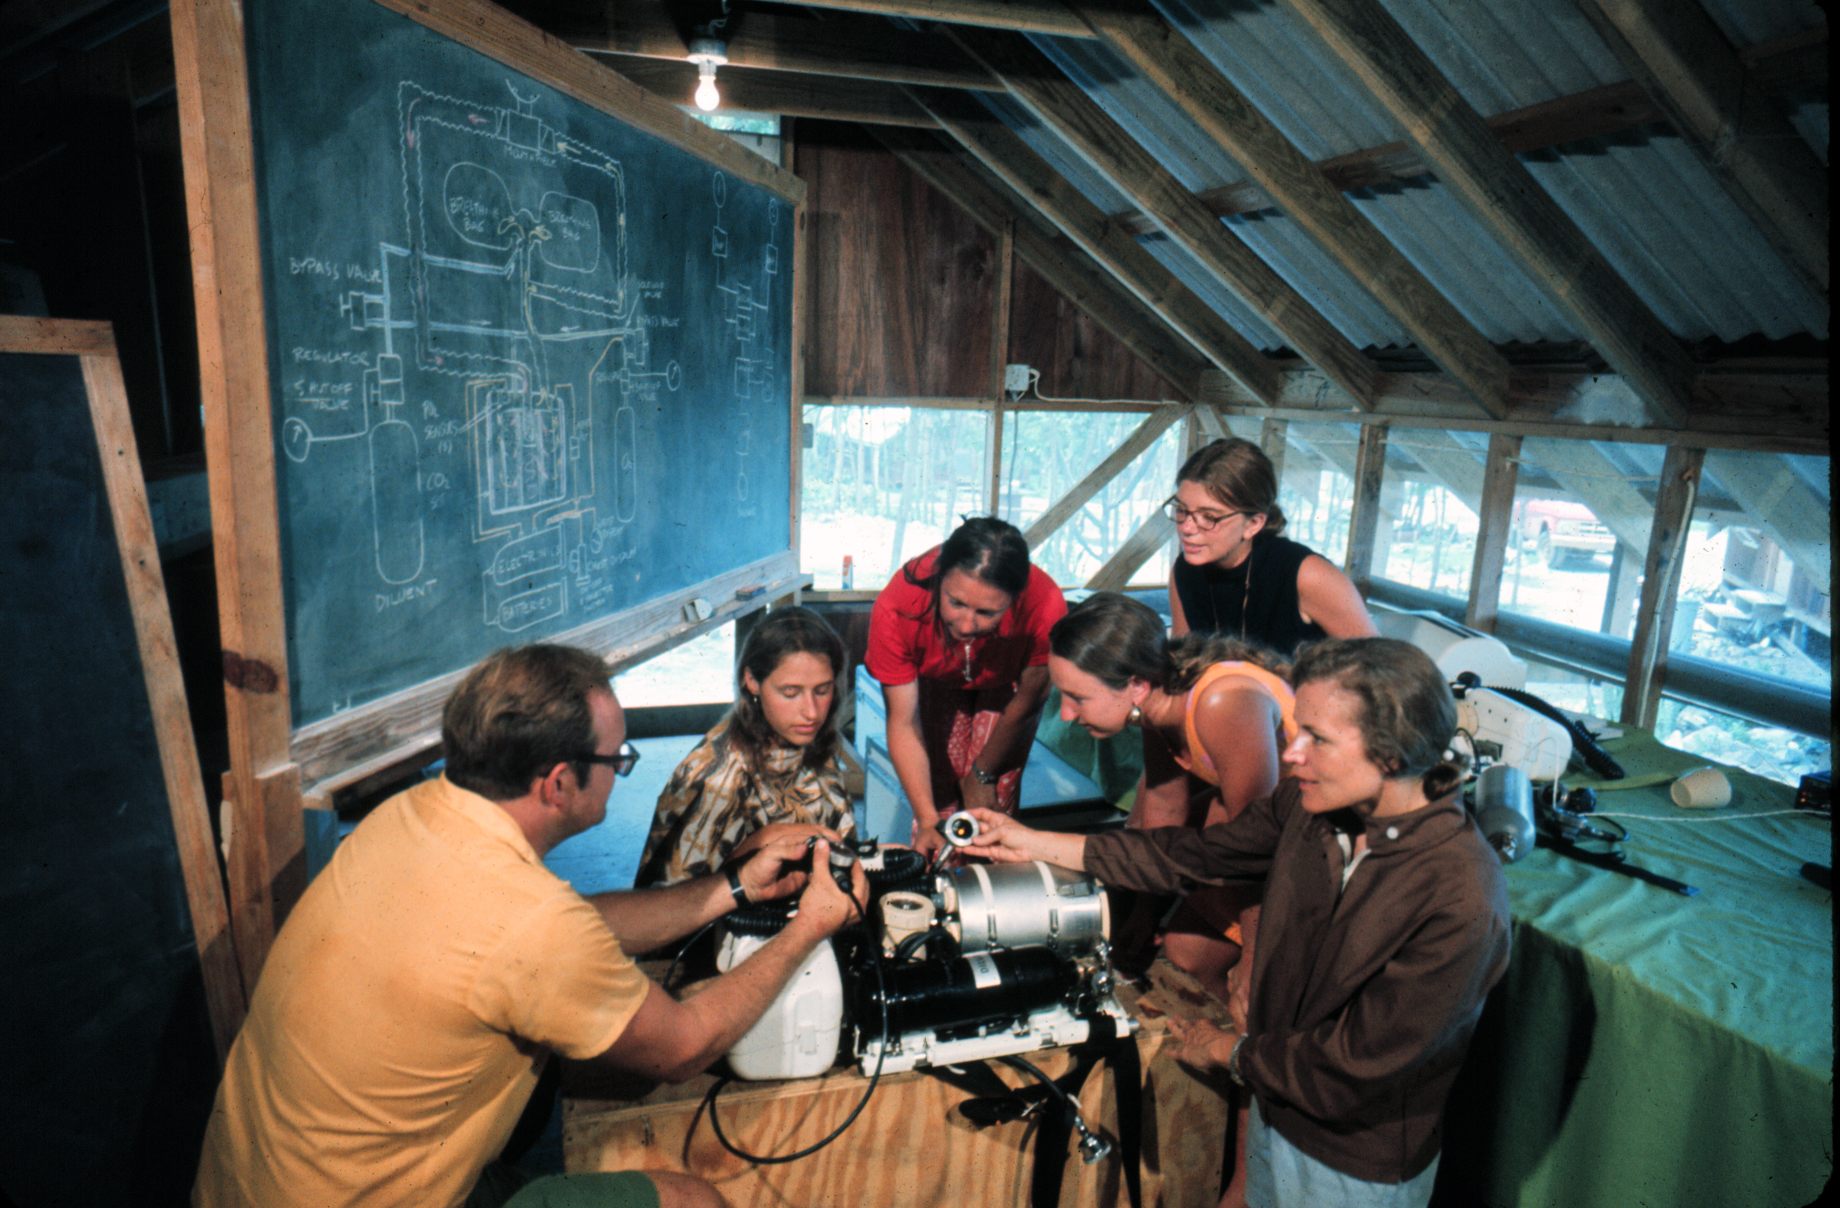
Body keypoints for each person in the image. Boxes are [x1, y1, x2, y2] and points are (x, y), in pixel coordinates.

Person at [193, 644, 866, 1208]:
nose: (621, 774)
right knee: (694, 1202)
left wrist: (733, 887)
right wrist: (804, 931)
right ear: (557, 785)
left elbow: (569, 929)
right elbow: (680, 1046)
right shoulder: (532, 925)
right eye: (615, 760)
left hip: (246, 1184)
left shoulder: (410, 817)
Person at [960, 638, 1511, 1208]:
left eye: (1317, 739)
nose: (1292, 754)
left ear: (1392, 755)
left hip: (1350, 1161)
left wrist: (1229, 1052)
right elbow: (1194, 854)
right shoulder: (1312, 807)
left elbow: (1357, 1067)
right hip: (1277, 1110)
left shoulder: (1461, 898)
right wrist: (1034, 842)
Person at [1047, 592, 1293, 1007]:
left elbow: (1258, 849)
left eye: (1079, 698)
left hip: (1322, 843)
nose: (1067, 714)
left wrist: (1255, 960)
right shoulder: (1155, 708)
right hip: (1265, 838)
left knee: (1213, 956)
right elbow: (1163, 816)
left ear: (1136, 685)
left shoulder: (1222, 702)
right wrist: (1140, 921)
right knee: (1187, 952)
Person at [865, 517, 1066, 860]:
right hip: (934, 679)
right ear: (940, 576)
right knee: (938, 806)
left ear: (1015, 599)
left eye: (987, 612)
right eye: (956, 603)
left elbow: (1031, 698)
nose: (966, 624)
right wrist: (927, 819)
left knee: (992, 807)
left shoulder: (1045, 604)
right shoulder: (898, 605)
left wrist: (983, 774)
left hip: (1005, 683)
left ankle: (991, 888)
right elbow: (902, 721)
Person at [637, 606, 853, 887]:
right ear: (751, 681)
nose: (811, 712)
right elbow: (669, 909)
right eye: (791, 693)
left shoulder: (805, 740)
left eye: (822, 690)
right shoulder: (716, 780)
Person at [1167, 438, 1375, 654]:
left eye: (1209, 517)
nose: (1187, 527)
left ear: (1253, 524)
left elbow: (1379, 672)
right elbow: (1182, 664)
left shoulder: (1309, 575)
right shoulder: (1185, 568)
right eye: (1182, 510)